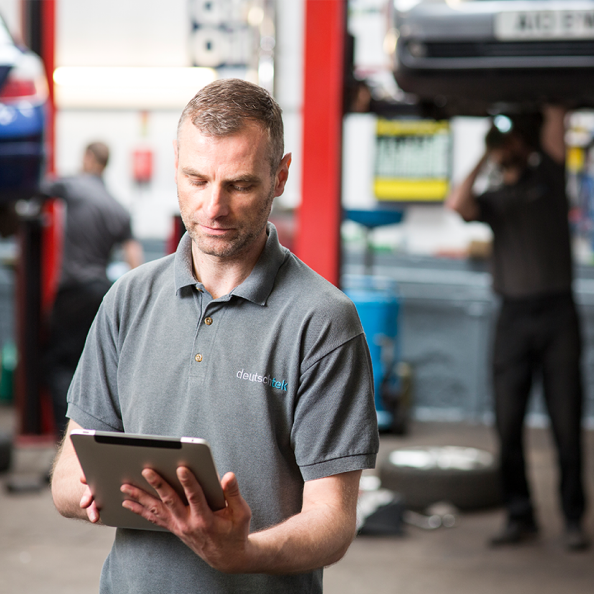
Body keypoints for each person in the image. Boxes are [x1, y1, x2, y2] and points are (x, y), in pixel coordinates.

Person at [50, 78, 379, 593]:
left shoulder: (322, 322)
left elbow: (333, 520)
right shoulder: (128, 299)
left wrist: (242, 553)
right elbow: (68, 476)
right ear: (176, 162)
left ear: (280, 176)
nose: (213, 208)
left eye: (240, 184)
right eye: (196, 179)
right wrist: (100, 490)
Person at [447, 106, 588, 551]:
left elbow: (555, 116)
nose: (506, 149)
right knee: (508, 425)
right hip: (512, 318)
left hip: (557, 315)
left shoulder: (548, 176)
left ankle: (572, 519)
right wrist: (485, 154)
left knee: (566, 424)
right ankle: (519, 516)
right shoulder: (492, 201)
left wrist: (541, 113)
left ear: (525, 146)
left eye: (511, 142)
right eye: (500, 144)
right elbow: (457, 203)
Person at [42, 142, 143, 436]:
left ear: (87, 158)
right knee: (94, 369)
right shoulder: (117, 206)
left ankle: (66, 447)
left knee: (60, 366)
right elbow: (134, 260)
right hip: (101, 293)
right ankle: (94, 443)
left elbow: (37, 188)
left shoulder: (74, 186)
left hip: (72, 292)